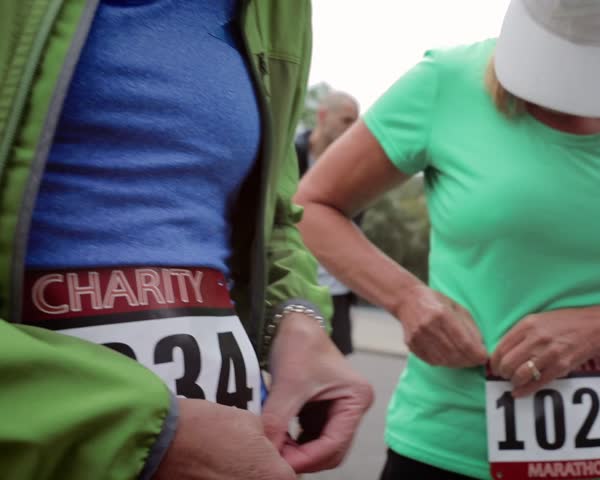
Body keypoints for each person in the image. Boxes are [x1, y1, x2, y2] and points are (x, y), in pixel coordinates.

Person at [294, 0, 600, 479]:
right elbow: (311, 206)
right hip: (445, 455)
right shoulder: (446, 80)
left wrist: (599, 329)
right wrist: (405, 298)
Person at [0, 1, 372, 479]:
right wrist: (137, 430)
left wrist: (294, 321)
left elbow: (273, 215)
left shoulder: (283, 9)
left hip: (233, 445)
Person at [296, 91, 361, 355]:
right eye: (346, 120)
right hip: (292, 283)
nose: (352, 129)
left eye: (356, 123)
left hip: (335, 287)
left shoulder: (355, 169)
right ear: (323, 115)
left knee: (333, 380)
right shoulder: (288, 156)